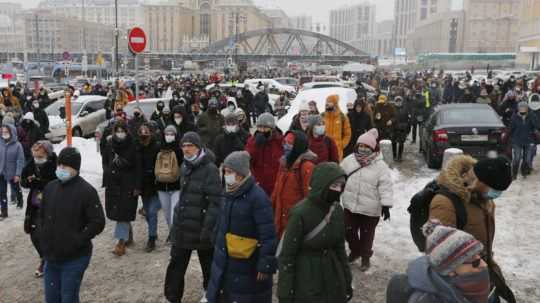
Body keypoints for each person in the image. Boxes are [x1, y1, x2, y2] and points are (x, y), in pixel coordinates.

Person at [429, 156, 516, 303]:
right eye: (495, 189)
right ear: (480, 181)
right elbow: (440, 254)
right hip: (460, 286)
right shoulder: (445, 203)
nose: (496, 195)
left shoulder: (484, 199)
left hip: (481, 277)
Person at [206, 151, 277, 303]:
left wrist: (265, 263)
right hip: (226, 258)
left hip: (248, 263)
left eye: (230, 172)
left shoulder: (258, 198)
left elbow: (268, 234)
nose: (226, 175)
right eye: (225, 171)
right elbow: (221, 221)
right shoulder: (227, 193)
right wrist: (215, 239)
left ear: (241, 173)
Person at [277, 162, 352, 303]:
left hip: (332, 275)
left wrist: (347, 280)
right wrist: (285, 292)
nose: (338, 190)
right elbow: (287, 256)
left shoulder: (337, 211)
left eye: (341, 186)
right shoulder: (300, 213)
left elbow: (340, 249)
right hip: (306, 277)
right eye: (334, 185)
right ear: (322, 185)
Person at [40, 147, 105, 303]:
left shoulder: (86, 191)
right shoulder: (50, 188)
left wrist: (78, 239)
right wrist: (44, 239)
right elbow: (42, 216)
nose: (61, 169)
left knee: (68, 297)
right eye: (59, 165)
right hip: (52, 257)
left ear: (75, 168)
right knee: (52, 298)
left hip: (75, 257)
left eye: (65, 166)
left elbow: (98, 222)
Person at [165, 132, 221, 303]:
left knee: (209, 266)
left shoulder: (210, 169)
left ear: (199, 147)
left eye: (190, 145)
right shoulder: (185, 166)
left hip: (202, 228)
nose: (186, 149)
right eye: (184, 146)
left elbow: (215, 202)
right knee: (176, 265)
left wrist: (208, 228)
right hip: (183, 227)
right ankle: (172, 297)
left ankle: (210, 294)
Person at [386, 220, 490, 303]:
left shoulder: (473, 288)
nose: (484, 265)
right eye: (474, 262)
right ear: (450, 270)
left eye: (481, 257)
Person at [340, 128, 393, 271]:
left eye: (366, 146)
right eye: (361, 146)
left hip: (370, 209)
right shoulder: (349, 160)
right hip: (350, 205)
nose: (363, 149)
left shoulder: (380, 166)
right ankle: (355, 250)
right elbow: (339, 178)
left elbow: (385, 186)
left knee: (366, 235)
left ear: (373, 147)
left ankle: (365, 257)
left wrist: (386, 205)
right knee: (347, 230)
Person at [102, 121, 142, 257]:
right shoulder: (109, 144)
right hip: (113, 183)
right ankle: (127, 236)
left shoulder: (133, 144)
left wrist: (137, 186)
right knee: (119, 212)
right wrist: (107, 175)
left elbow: (138, 166)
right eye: (117, 130)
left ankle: (120, 242)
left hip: (128, 183)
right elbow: (105, 162)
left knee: (124, 212)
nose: (120, 133)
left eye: (122, 130)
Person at [21, 141, 57, 277]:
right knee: (34, 234)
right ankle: (44, 257)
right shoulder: (31, 164)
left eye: (40, 157)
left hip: (52, 204)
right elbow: (23, 181)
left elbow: (56, 182)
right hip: (35, 205)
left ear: (47, 154)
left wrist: (39, 182)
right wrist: (28, 181)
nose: (37, 159)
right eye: (35, 156)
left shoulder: (55, 164)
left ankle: (51, 260)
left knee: (48, 233)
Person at [271, 130, 316, 237]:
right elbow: (277, 189)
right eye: (284, 143)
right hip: (281, 217)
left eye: (290, 143)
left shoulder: (306, 167)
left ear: (298, 146)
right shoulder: (284, 163)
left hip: (296, 221)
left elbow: (310, 199)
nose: (286, 146)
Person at [136, 122, 162, 252]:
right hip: (143, 185)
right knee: (147, 212)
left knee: (152, 212)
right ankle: (154, 231)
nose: (144, 134)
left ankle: (151, 239)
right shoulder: (137, 147)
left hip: (156, 184)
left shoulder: (157, 146)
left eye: (146, 132)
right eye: (141, 132)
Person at [245, 113, 283, 196]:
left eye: (265, 127)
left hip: (276, 183)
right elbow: (248, 160)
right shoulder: (252, 141)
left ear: (272, 128)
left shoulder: (279, 140)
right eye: (259, 127)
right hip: (259, 184)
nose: (262, 130)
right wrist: (256, 145)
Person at [156, 125, 182, 232]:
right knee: (167, 214)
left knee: (173, 214)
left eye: (172, 134)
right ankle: (171, 232)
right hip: (162, 186)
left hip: (176, 186)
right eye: (167, 134)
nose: (169, 136)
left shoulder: (180, 149)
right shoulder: (158, 149)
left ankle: (174, 234)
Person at [509, 102, 540, 179]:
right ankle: (514, 174)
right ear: (518, 108)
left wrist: (532, 118)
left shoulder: (531, 116)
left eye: (524, 107)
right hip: (517, 141)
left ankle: (524, 172)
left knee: (526, 159)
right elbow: (511, 129)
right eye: (521, 107)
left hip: (528, 140)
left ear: (527, 108)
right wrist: (511, 139)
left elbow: (537, 126)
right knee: (517, 158)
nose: (522, 109)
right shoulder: (514, 116)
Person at [0, 123, 25, 218]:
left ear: (12, 132)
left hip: (13, 173)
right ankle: (4, 212)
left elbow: (20, 160)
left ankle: (20, 200)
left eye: (6, 132)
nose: (4, 134)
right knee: (2, 193)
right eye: (3, 132)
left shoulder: (17, 145)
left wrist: (18, 174)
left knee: (15, 188)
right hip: (1, 172)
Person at [322, 94, 351, 161]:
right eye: (326, 101)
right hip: (324, 150)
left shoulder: (342, 117)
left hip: (337, 151)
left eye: (329, 102)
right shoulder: (322, 116)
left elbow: (348, 133)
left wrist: (341, 145)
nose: (327, 103)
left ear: (335, 104)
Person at [392, 96, 412, 162]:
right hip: (394, 129)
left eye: (399, 101)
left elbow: (408, 120)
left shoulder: (405, 109)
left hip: (403, 129)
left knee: (401, 143)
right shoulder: (392, 109)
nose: (398, 102)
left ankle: (399, 156)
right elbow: (391, 118)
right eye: (397, 101)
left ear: (401, 101)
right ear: (395, 101)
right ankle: (394, 156)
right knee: (393, 143)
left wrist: (408, 129)